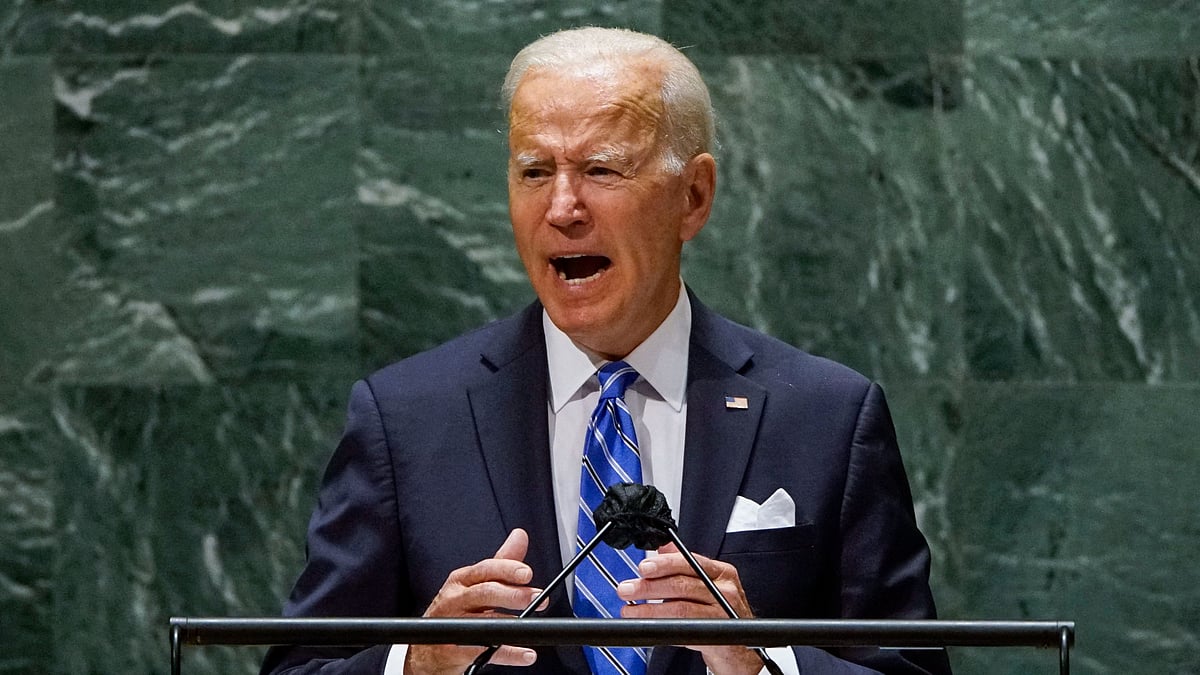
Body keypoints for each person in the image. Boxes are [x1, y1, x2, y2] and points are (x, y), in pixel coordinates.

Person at [261, 27, 951, 675]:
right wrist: (418, 659)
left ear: (694, 195)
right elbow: (297, 666)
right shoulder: (406, 418)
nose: (562, 207)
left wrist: (761, 657)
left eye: (600, 169)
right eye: (534, 171)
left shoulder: (826, 417)